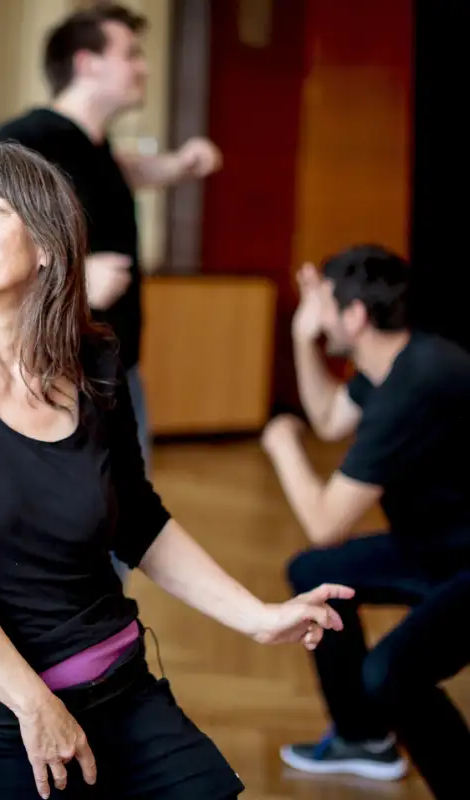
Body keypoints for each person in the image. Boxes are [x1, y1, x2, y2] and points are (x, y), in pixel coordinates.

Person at [0, 140, 354, 800]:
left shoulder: (94, 359)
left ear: (48, 248)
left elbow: (138, 519)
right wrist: (35, 706)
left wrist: (257, 618)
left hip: (120, 690)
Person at [261, 245, 470, 798]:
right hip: (436, 548)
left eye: (322, 305)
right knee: (317, 574)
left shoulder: (418, 383)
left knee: (391, 674)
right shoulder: (394, 363)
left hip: (462, 564)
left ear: (354, 317)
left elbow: (326, 521)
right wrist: (304, 336)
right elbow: (330, 417)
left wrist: (282, 446)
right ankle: (361, 738)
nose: (314, 315)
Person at [0, 2, 222, 480]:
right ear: (86, 63)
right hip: (59, 369)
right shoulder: (26, 139)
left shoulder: (94, 147)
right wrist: (72, 281)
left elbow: (119, 171)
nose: (144, 67)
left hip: (116, 364)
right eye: (131, 54)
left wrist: (180, 165)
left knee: (124, 521)